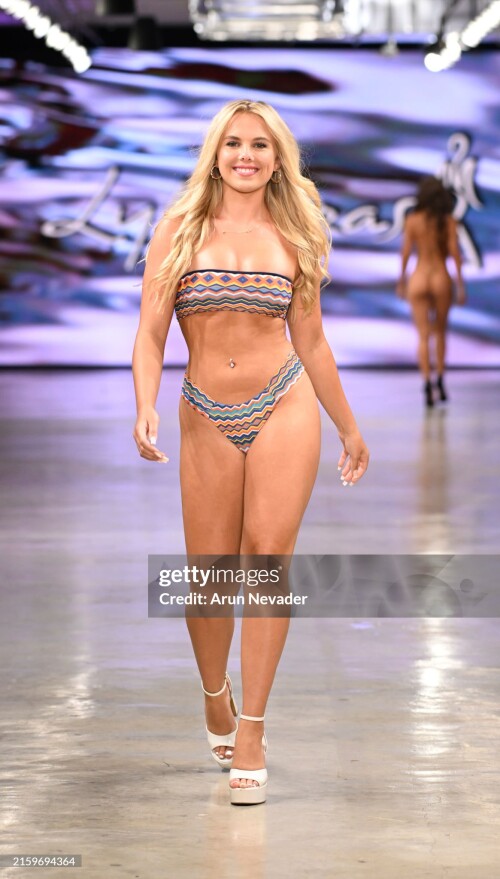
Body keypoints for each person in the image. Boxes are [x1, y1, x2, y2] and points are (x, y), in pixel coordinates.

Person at [132, 99, 369, 805]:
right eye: (233, 143)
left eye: (259, 145)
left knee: (266, 561)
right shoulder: (178, 229)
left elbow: (313, 340)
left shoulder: (296, 232)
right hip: (203, 410)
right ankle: (215, 692)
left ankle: (254, 730)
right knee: (207, 578)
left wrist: (350, 426)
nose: (245, 155)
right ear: (215, 152)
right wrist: (143, 402)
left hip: (284, 404)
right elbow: (149, 334)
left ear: (277, 156)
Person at [397, 176, 466, 407]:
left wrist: (401, 280)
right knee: (440, 333)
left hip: (418, 278)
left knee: (423, 336)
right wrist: (461, 283)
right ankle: (440, 380)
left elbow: (406, 252)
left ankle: (426, 382)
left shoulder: (413, 220)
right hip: (440, 277)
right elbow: (455, 253)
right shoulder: (448, 222)